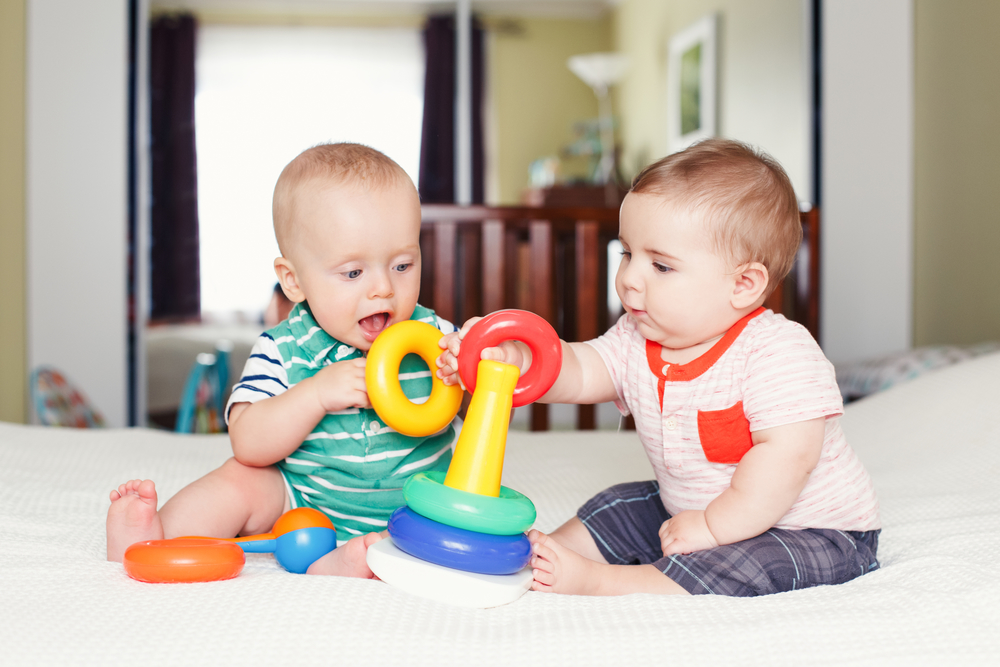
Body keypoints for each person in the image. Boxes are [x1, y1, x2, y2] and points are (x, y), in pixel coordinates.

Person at [438, 138, 881, 597]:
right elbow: (579, 369)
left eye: (661, 266)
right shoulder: (636, 338)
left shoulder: (777, 351)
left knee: (738, 566)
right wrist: (513, 359)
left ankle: (609, 581)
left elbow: (789, 460)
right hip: (695, 510)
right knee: (621, 503)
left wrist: (712, 528)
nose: (630, 278)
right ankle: (540, 552)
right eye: (627, 253)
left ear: (744, 284)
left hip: (810, 530)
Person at [107, 143, 460, 578]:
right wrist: (315, 394)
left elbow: (490, 404)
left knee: (472, 508)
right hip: (304, 503)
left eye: (403, 265)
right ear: (293, 281)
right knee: (240, 480)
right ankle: (155, 536)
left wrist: (473, 370)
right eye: (353, 273)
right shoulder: (284, 348)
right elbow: (249, 444)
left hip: (420, 506)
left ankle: (342, 562)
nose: (383, 289)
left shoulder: (438, 338)